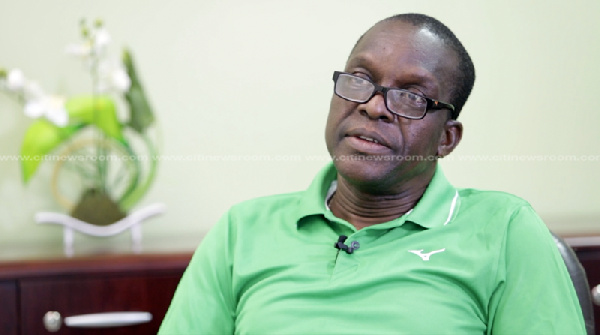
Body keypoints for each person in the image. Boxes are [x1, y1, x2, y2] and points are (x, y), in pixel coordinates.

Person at [159, 13, 586, 334]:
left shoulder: (505, 229)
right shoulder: (241, 230)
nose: (373, 105)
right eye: (360, 79)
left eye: (410, 96)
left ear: (447, 139)